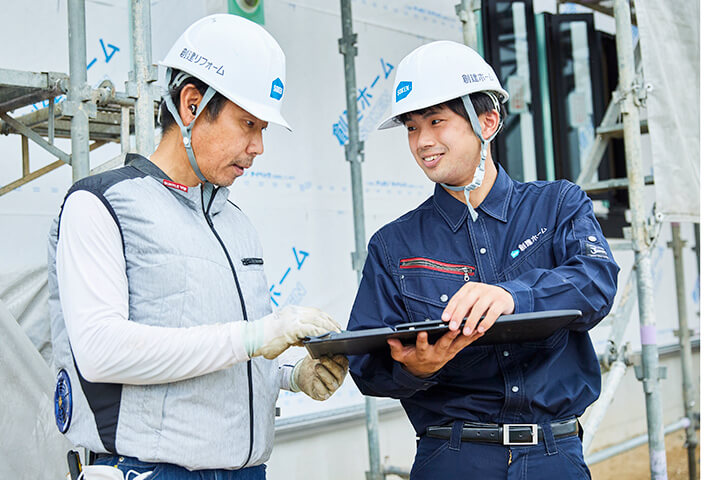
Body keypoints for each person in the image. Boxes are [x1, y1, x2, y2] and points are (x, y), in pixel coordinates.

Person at [48, 14, 348, 479]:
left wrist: (290, 376)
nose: (258, 146)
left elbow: (230, 352)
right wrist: (257, 335)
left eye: (263, 128)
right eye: (248, 123)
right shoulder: (101, 204)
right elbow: (101, 351)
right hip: (146, 470)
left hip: (245, 470)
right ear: (191, 105)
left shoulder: (236, 224)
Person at [347, 40, 619, 479]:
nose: (423, 142)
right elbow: (366, 365)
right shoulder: (392, 245)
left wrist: (514, 297)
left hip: (555, 456)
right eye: (412, 128)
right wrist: (414, 372)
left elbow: (597, 282)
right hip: (452, 459)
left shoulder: (558, 205)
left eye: (437, 121)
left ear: (487, 121)